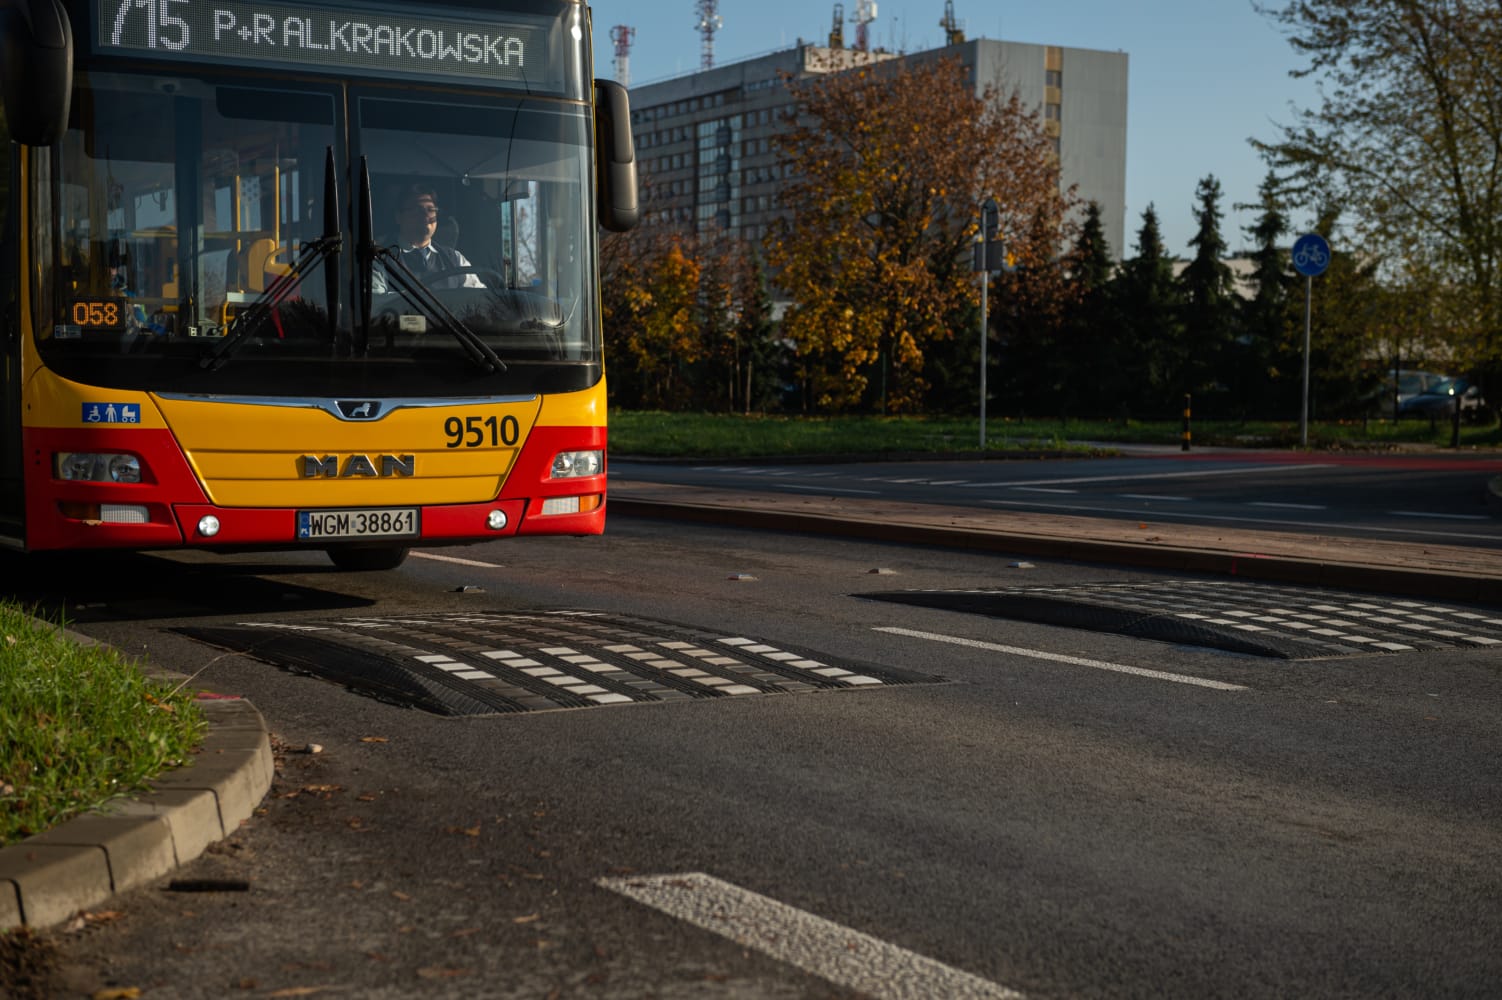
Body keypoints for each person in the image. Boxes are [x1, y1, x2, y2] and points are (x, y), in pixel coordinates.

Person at [371, 184, 484, 293]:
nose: (425, 215)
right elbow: (375, 301)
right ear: (398, 217)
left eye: (430, 210)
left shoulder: (455, 259)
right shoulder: (379, 258)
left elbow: (479, 298)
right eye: (417, 209)